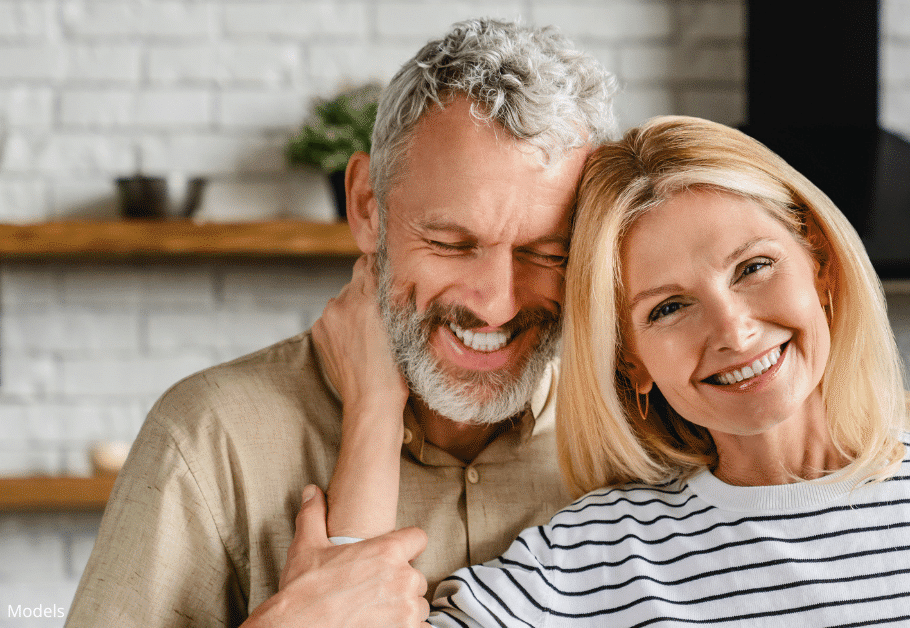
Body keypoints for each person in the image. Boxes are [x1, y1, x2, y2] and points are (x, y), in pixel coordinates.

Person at [324, 115, 910, 626]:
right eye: (668, 308)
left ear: (821, 269)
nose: (732, 329)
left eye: (754, 267)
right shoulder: (598, 555)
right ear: (631, 360)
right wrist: (375, 408)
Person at [65, 18, 617, 628]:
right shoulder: (209, 437)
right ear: (366, 208)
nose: (496, 305)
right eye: (451, 243)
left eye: (547, 253)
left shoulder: (633, 441)